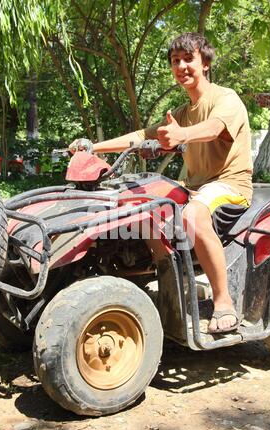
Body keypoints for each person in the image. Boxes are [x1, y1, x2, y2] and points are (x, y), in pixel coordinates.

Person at [70, 32, 253, 334]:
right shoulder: (181, 113)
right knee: (141, 205)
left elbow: (214, 128)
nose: (181, 66)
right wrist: (93, 146)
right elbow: (142, 136)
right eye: (174, 61)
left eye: (188, 59)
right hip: (194, 187)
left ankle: (224, 303)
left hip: (228, 185)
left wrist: (183, 135)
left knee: (193, 214)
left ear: (205, 63)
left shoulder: (225, 99)